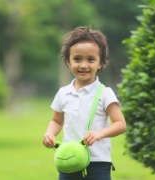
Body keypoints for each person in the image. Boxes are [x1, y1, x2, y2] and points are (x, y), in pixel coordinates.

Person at [42, 26, 126, 180]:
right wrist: (49, 134)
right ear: (68, 62)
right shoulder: (63, 93)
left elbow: (120, 124)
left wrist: (100, 133)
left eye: (91, 59)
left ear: (100, 63)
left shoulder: (105, 93)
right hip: (69, 160)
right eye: (77, 59)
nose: (83, 65)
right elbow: (56, 120)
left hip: (98, 162)